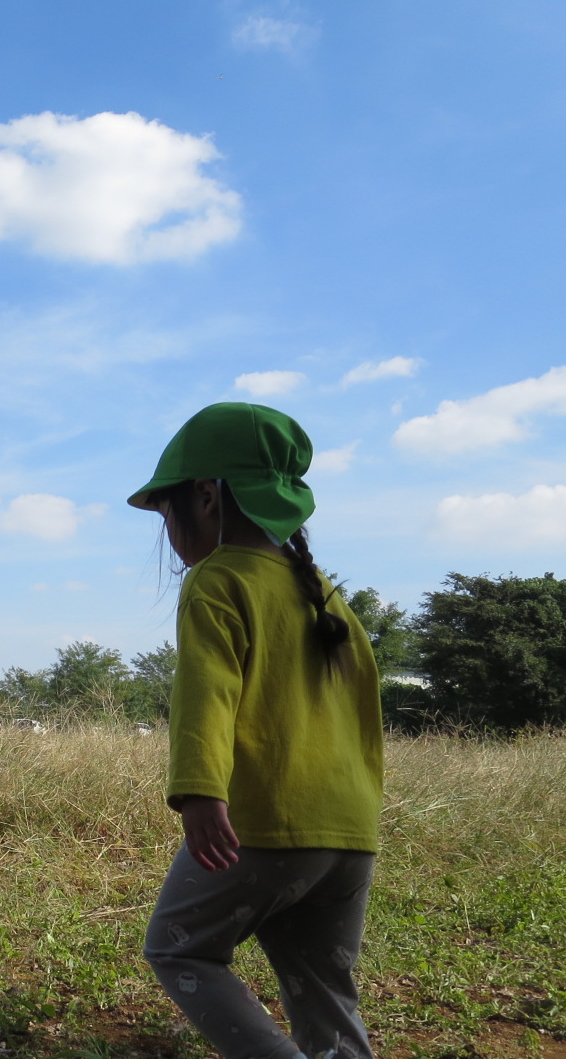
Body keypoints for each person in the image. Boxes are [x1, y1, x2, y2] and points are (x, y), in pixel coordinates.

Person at [128, 402, 383, 1059]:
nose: (167, 528)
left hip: (263, 824)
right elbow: (360, 710)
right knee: (324, 987)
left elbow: (208, 693)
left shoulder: (218, 578)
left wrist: (200, 791)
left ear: (207, 496)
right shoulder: (323, 593)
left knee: (179, 948)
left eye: (167, 510)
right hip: (348, 831)